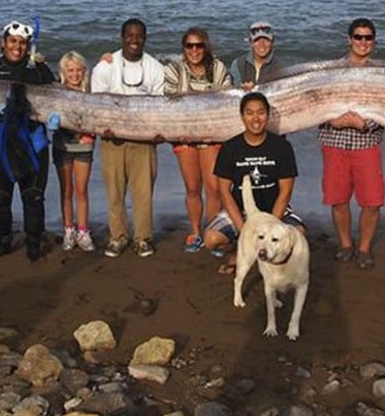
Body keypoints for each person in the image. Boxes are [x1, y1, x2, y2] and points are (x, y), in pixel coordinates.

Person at [0, 21, 57, 262]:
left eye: (22, 43)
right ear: (3, 43)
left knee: (33, 196)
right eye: (12, 41)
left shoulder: (40, 71)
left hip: (32, 141)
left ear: (28, 46)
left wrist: (56, 118)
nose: (17, 47)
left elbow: (56, 101)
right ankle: (3, 240)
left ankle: (33, 242)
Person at [204, 91, 305, 275]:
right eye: (249, 113)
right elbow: (224, 192)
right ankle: (238, 252)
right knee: (211, 239)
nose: (255, 118)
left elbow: (285, 192)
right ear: (242, 116)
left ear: (268, 115)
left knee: (299, 236)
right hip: (241, 211)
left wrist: (271, 226)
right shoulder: (230, 148)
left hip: (274, 210)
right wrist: (246, 233)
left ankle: (270, 258)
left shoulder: (282, 147)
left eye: (261, 112)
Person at [91, 18, 166, 258]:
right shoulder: (105, 67)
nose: (134, 40)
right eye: (130, 36)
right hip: (112, 140)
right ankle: (118, 237)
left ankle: (143, 238)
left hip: (144, 141)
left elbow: (160, 106)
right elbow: (96, 104)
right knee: (115, 192)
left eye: (139, 36)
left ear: (145, 38)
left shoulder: (155, 68)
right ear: (122, 37)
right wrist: (104, 128)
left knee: (143, 193)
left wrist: (157, 132)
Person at [318, 18, 385, 270]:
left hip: (367, 142)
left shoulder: (382, 73)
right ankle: (346, 244)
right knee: (338, 199)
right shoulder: (330, 70)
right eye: (358, 37)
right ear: (349, 39)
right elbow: (314, 103)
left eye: (368, 38)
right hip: (334, 141)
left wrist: (364, 125)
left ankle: (365, 248)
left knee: (372, 201)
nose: (363, 42)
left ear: (374, 42)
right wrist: (332, 120)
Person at [163, 27, 233, 253]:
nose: (194, 50)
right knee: (192, 187)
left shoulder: (219, 68)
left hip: (212, 135)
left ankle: (213, 232)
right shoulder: (174, 69)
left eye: (199, 45)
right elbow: (168, 103)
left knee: (214, 188)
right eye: (189, 46)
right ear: (184, 49)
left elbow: (228, 101)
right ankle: (195, 231)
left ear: (206, 47)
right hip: (184, 135)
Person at [53, 51, 96, 252]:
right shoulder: (56, 91)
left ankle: (83, 230)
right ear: (63, 72)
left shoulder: (90, 93)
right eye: (70, 70)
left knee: (81, 190)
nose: (75, 74)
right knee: (66, 190)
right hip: (62, 145)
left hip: (84, 145)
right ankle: (68, 229)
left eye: (79, 70)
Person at [230, 21, 286, 90]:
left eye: (266, 40)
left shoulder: (281, 66)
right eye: (257, 40)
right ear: (251, 43)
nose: (261, 44)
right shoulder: (238, 64)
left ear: (272, 42)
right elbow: (235, 90)